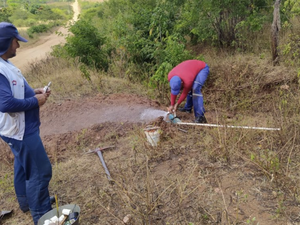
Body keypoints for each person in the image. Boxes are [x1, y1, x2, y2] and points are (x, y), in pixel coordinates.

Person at [0, 22, 53, 225]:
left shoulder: (4, 63)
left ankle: (27, 202)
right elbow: (5, 103)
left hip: (16, 129)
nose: (18, 46)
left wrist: (34, 92)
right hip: (20, 131)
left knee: (23, 165)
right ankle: (42, 216)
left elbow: (14, 91)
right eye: (15, 41)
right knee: (41, 171)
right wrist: (35, 101)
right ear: (5, 42)